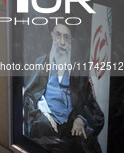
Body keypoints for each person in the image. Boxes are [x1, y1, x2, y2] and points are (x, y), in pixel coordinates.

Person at [24, 22, 104, 152]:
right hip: (46, 129)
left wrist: (81, 119)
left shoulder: (77, 71)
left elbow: (93, 108)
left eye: (66, 37)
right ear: (52, 36)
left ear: (71, 40)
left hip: (71, 131)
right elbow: (28, 98)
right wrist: (43, 117)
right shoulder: (41, 63)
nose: (62, 42)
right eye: (58, 35)